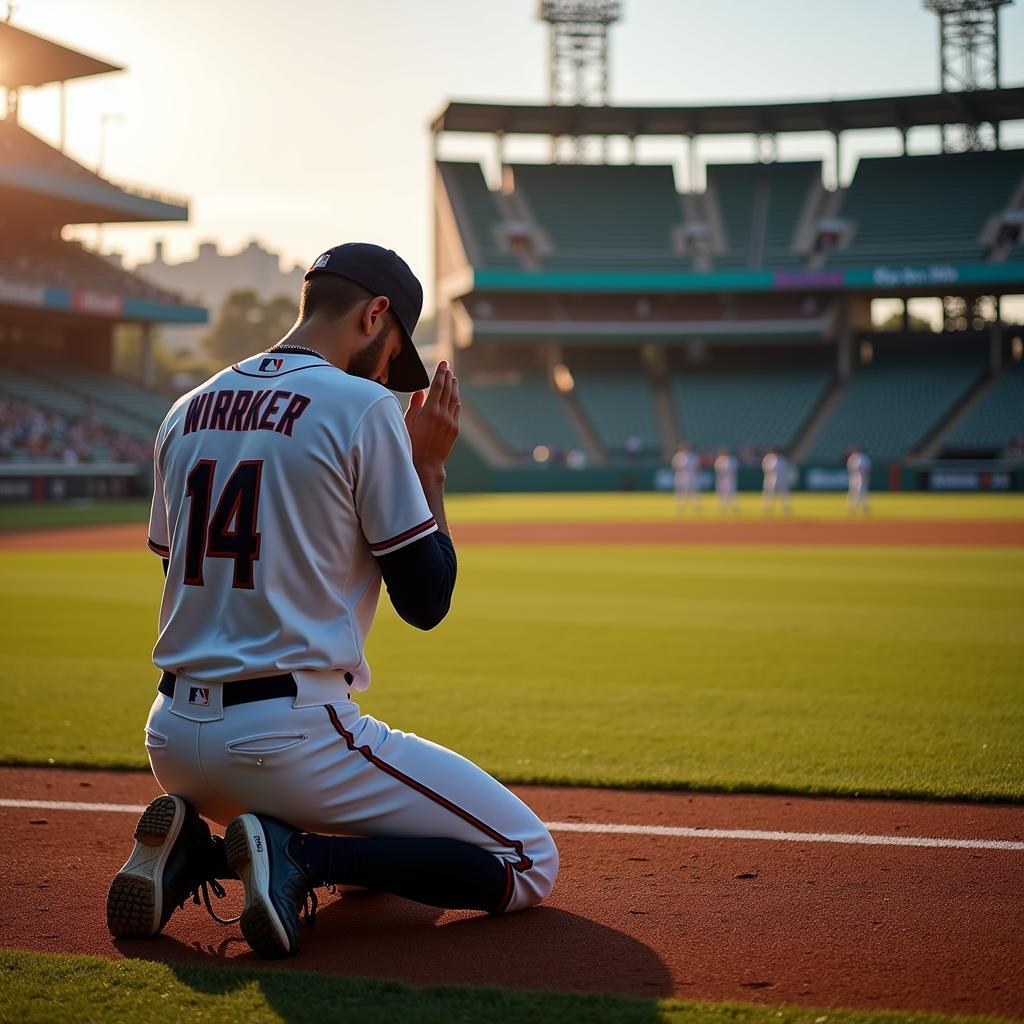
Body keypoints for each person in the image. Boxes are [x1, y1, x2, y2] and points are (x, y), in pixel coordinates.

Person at [105, 243, 558, 959]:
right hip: (289, 740)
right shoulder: (363, 406)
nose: (389, 376)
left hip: (172, 740)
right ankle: (295, 857)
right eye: (391, 355)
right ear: (375, 314)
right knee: (530, 860)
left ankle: (198, 849)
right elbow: (427, 600)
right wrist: (430, 468)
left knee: (376, 830)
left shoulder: (183, 410)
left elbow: (176, 564)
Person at [672, 441, 701, 513]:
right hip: (681, 475)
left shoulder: (693, 456)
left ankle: (696, 506)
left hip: (691, 475)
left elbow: (697, 466)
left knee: (694, 491)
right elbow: (674, 465)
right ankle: (680, 507)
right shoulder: (678, 456)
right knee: (681, 492)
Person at [761, 447, 791, 514]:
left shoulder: (782, 459)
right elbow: (765, 467)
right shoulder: (769, 457)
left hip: (781, 479)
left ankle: (786, 507)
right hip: (771, 478)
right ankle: (767, 507)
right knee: (769, 493)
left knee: (783, 493)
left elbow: (784, 469)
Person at [713, 446, 739, 512]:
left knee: (731, 492)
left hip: (729, 478)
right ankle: (721, 506)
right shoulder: (719, 460)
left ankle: (733, 506)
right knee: (721, 492)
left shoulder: (732, 459)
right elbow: (717, 470)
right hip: (721, 478)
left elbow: (734, 470)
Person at [847, 445, 871, 513]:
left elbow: (868, 468)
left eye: (857, 450)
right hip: (854, 476)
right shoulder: (852, 457)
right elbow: (849, 467)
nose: (856, 451)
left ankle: (865, 506)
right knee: (852, 492)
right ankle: (852, 507)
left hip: (862, 476)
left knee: (862, 492)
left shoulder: (864, 458)